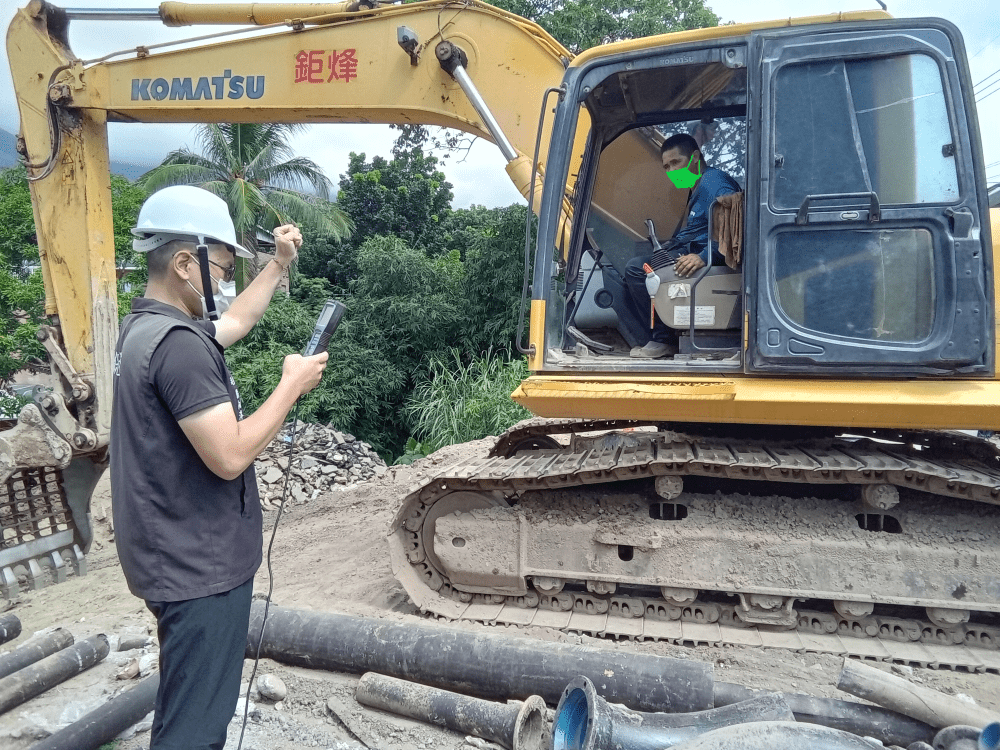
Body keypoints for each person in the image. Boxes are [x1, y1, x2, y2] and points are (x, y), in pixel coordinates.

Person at [109, 185, 328, 749]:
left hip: (171, 557)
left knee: (186, 704)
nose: (227, 281)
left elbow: (233, 322)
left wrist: (278, 266)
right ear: (186, 263)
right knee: (197, 729)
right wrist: (290, 386)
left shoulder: (147, 329)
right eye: (224, 268)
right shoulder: (178, 345)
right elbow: (229, 454)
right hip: (196, 568)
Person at [625, 133, 740, 358]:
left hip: (702, 258)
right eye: (666, 166)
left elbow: (735, 225)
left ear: (695, 157)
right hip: (691, 250)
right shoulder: (697, 186)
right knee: (636, 264)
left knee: (638, 270)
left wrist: (705, 256)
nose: (671, 171)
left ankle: (664, 339)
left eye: (676, 162)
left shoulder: (714, 183)